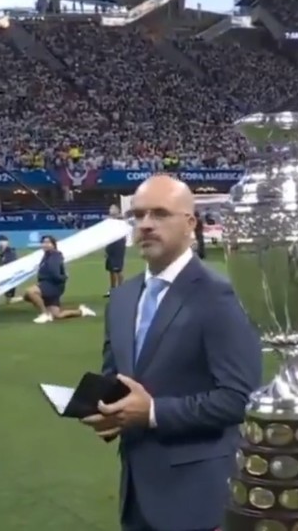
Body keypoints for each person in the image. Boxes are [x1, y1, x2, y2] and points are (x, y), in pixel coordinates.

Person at [82, 174, 263, 531]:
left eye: (160, 214)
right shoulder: (122, 298)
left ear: (190, 223)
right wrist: (107, 410)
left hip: (198, 501)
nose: (146, 224)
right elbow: (116, 380)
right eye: (138, 215)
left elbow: (239, 398)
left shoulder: (220, 296)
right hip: (136, 498)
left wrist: (151, 412)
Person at [27, 235, 94, 324]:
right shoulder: (47, 255)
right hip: (49, 285)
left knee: (30, 292)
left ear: (53, 245)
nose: (45, 244)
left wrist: (63, 278)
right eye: (43, 243)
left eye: (48, 242)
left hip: (52, 286)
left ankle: (45, 314)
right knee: (57, 315)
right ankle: (82, 311)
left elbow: (55, 273)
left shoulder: (55, 256)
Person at [105, 204, 127, 297]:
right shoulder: (109, 220)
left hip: (118, 244)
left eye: (113, 208)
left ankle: (121, 289)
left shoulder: (120, 220)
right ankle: (113, 289)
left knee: (117, 269)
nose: (111, 210)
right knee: (111, 269)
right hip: (110, 244)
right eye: (110, 208)